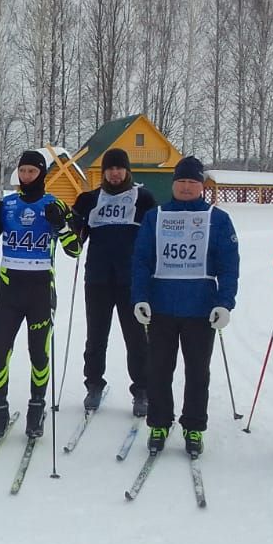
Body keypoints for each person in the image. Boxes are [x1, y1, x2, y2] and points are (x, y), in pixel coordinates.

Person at [131, 156, 239, 457]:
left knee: (197, 371)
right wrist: (139, 296)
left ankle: (193, 426)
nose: (187, 187)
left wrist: (225, 302)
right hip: (161, 306)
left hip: (200, 308)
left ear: (201, 186)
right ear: (173, 184)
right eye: (182, 181)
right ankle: (160, 422)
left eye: (193, 182)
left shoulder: (217, 218)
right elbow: (141, 259)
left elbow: (229, 265)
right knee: (159, 369)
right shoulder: (156, 216)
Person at [0, 150, 81, 440]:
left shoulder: (55, 203)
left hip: (40, 291)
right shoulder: (7, 205)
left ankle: (36, 409)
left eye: (31, 172)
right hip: (9, 291)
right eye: (22, 171)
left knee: (39, 354)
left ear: (42, 174)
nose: (26, 177)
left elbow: (75, 250)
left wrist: (61, 225)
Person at [71, 147, 156, 416]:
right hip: (97, 278)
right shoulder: (89, 199)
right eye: (110, 168)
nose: (115, 173)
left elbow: (155, 237)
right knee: (96, 336)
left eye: (119, 168)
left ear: (127, 170)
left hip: (132, 280)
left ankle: (142, 389)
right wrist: (66, 224)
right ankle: (94, 384)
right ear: (104, 171)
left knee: (137, 338)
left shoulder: (142, 198)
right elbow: (73, 240)